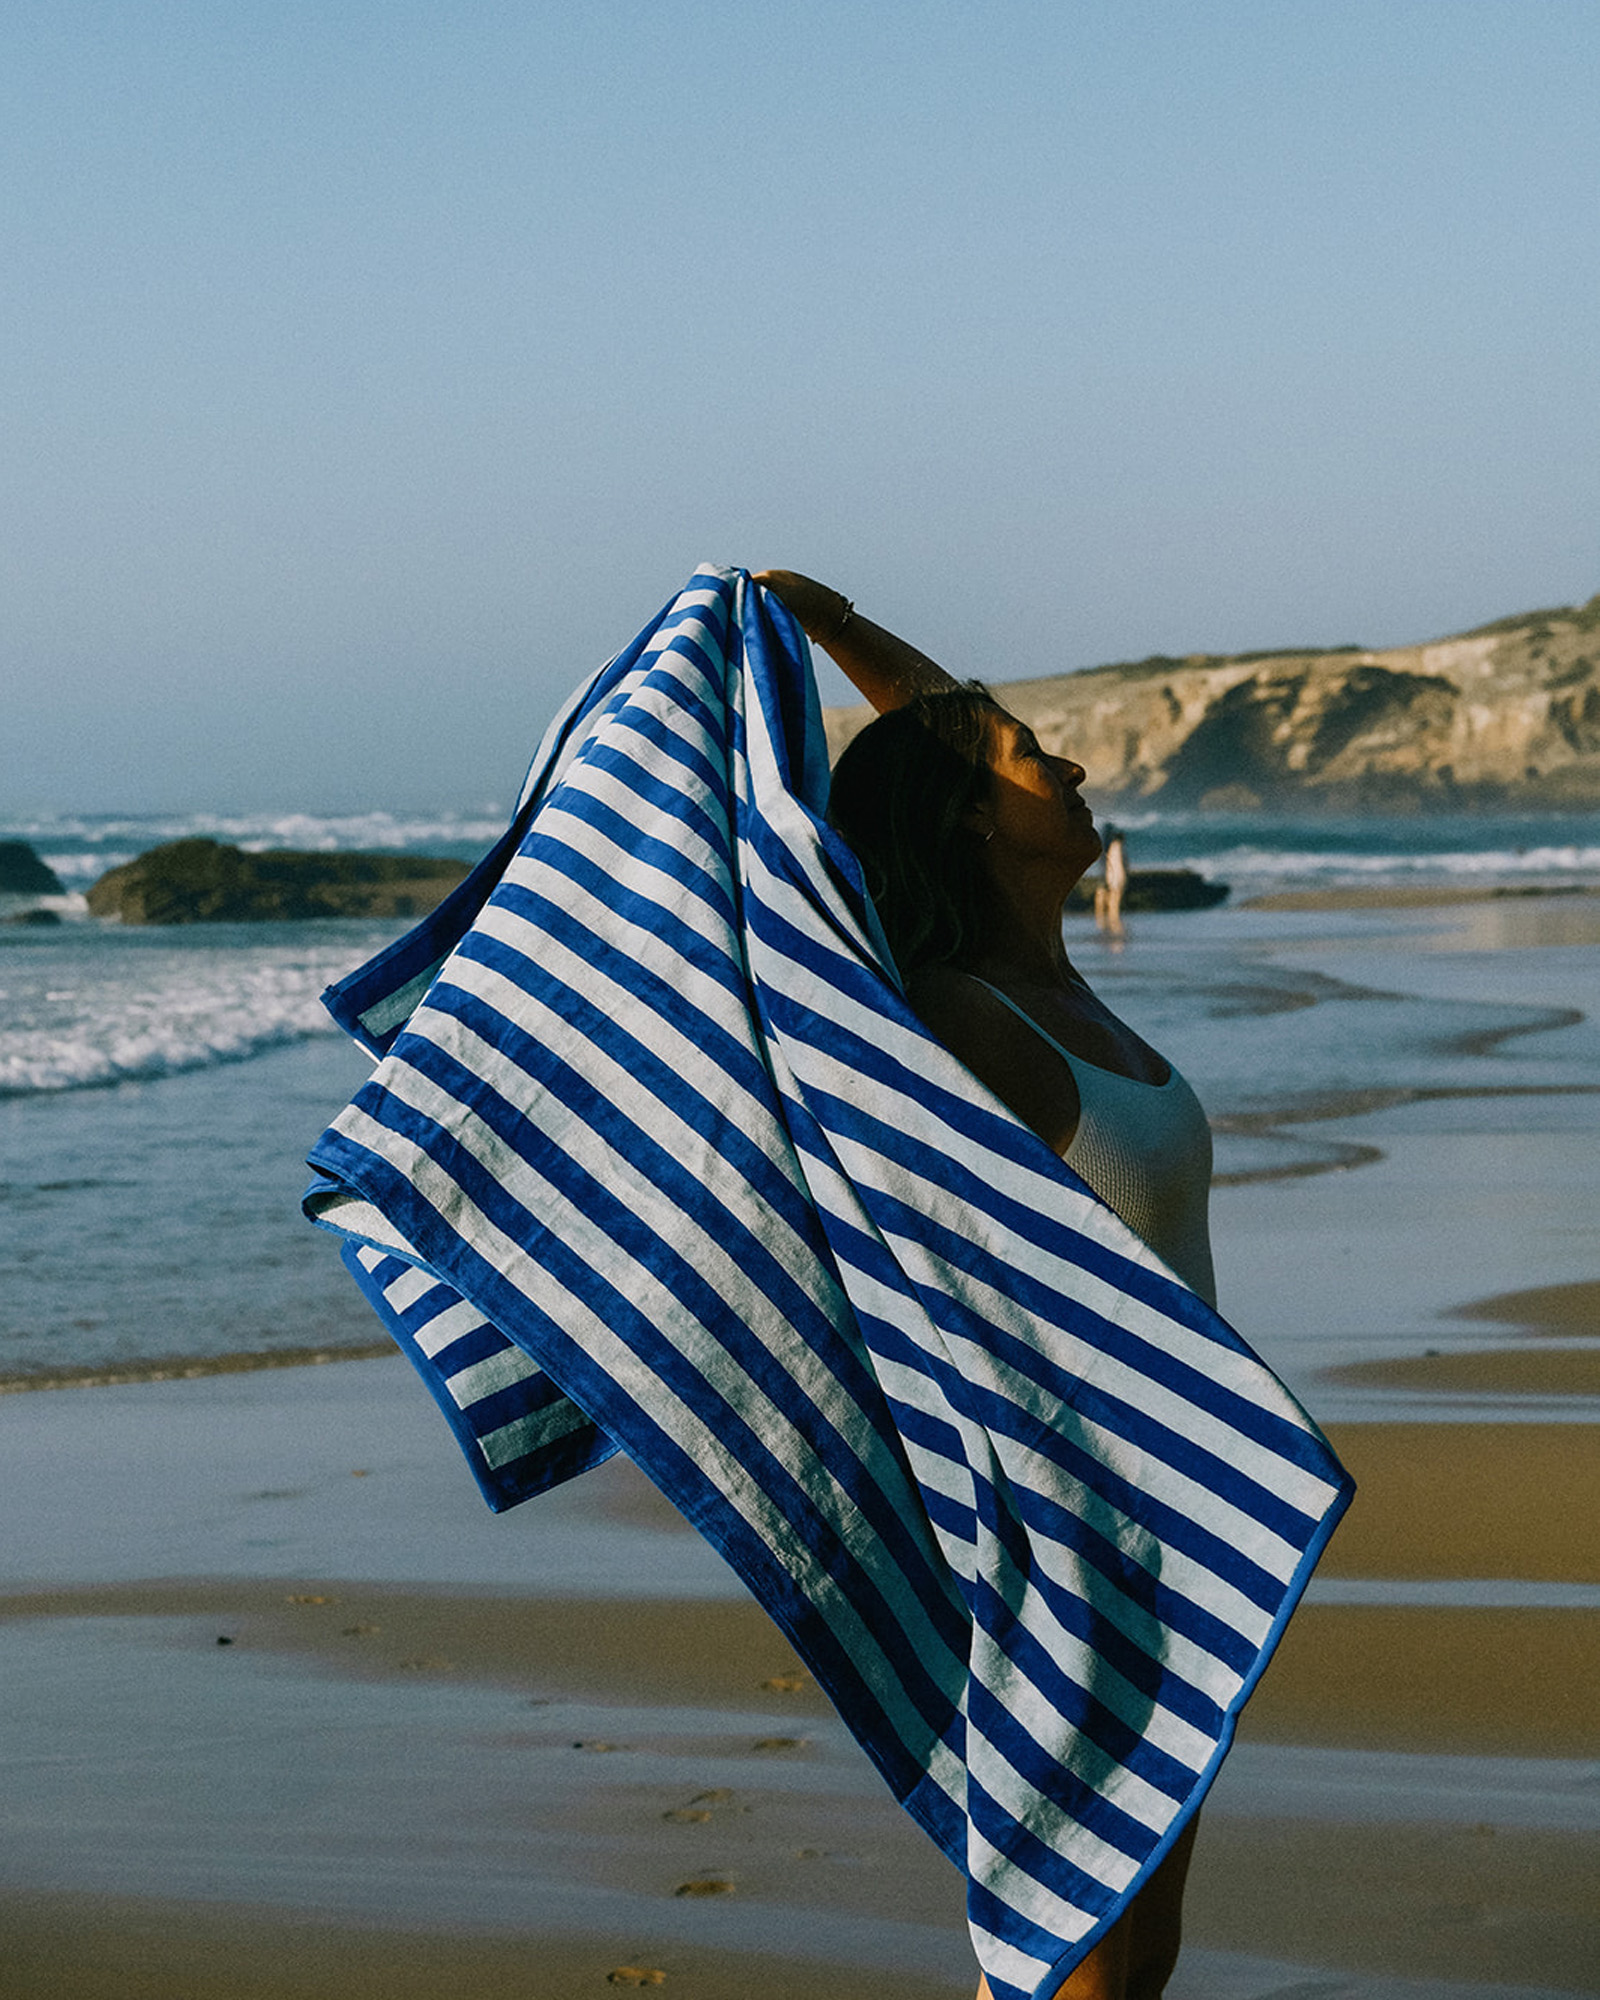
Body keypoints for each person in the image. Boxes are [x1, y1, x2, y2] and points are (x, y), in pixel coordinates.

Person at [754, 569, 1214, 2000]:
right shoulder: (953, 1015)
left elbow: (958, 745)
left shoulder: (1056, 983)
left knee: (1131, 1933)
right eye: (1034, 762)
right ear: (968, 817)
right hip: (1067, 1519)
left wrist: (843, 626)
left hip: (1178, 1509)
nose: (1069, 762)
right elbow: (859, 821)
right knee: (1084, 1924)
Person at [1094, 825, 1128, 940]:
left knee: (1112, 899)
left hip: (1112, 876)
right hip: (1117, 877)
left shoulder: (1111, 848)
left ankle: (1111, 920)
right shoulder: (1118, 847)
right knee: (1115, 900)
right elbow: (1120, 865)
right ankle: (1115, 921)